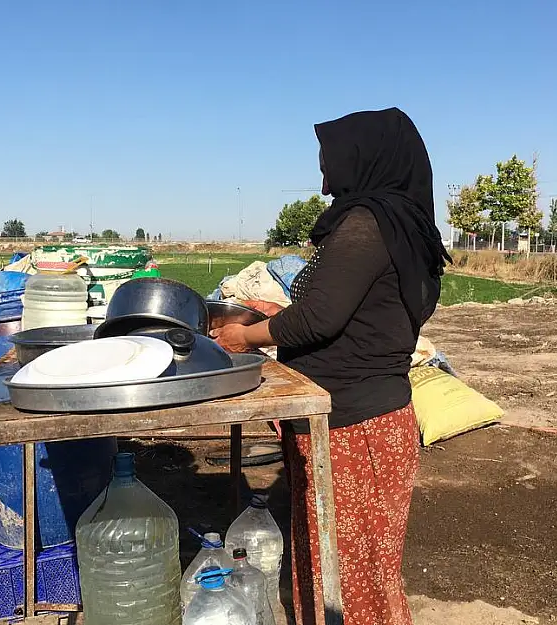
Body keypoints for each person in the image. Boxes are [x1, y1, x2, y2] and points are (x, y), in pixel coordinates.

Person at [212, 107, 450, 625]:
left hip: (354, 427)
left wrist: (245, 336)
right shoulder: (400, 224)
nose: (323, 182)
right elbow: (355, 312)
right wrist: (280, 317)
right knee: (351, 560)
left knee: (350, 567)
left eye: (329, 162)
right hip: (362, 417)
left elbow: (320, 318)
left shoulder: (367, 224)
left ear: (363, 159)